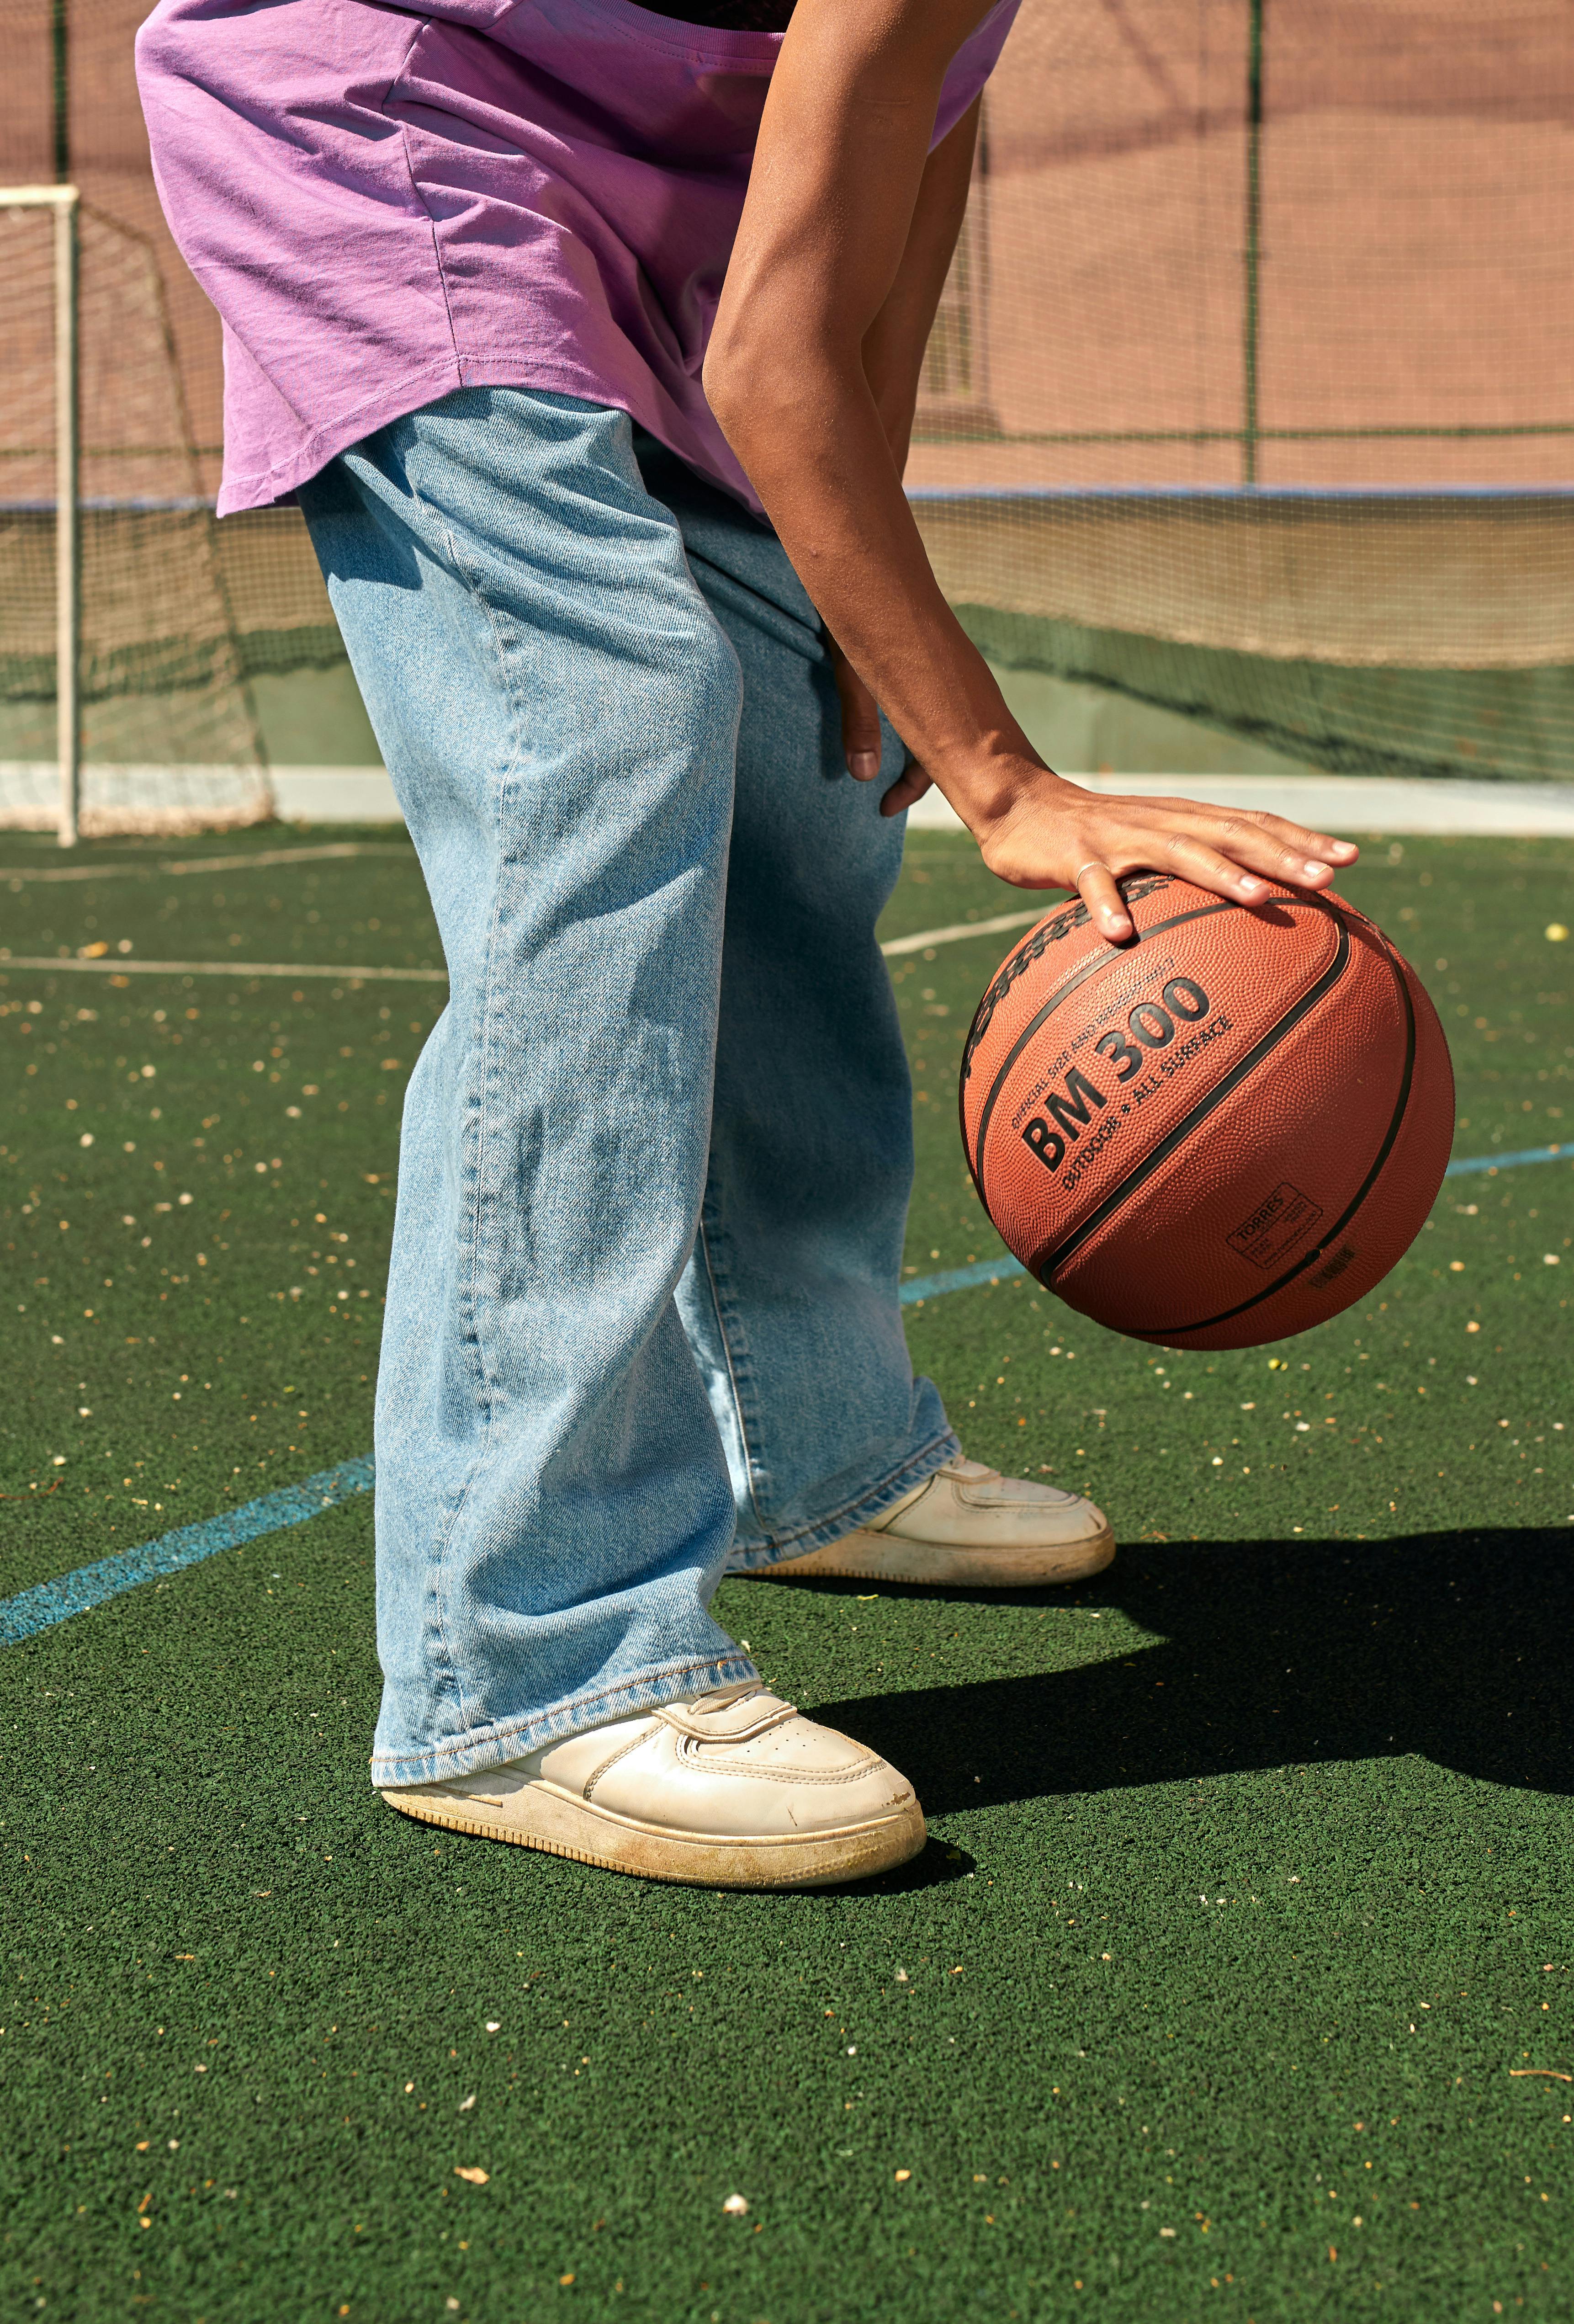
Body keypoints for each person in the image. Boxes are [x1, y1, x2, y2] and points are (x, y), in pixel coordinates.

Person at [137, 0, 1357, 1890]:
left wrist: (855, 617)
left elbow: (857, 327)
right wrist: (1003, 776)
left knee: (793, 726)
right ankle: (523, 1660)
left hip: (655, 213)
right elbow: (783, 366)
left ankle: (816, 1449)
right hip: (388, 125)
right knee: (610, 726)